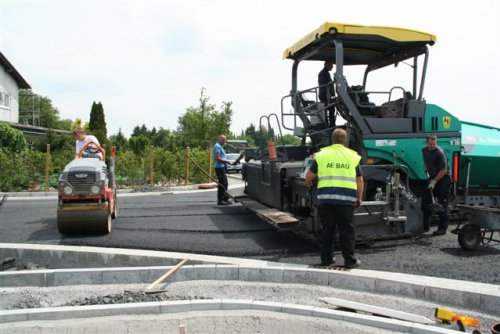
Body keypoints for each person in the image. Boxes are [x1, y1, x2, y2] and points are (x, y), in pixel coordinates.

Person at [305, 128, 363, 268]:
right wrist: (359, 197)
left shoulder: (322, 155)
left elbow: (309, 176)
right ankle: (349, 260)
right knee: (346, 230)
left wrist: (310, 184)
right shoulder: (352, 156)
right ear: (345, 140)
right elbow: (360, 180)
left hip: (326, 199)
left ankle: (327, 259)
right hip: (346, 199)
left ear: (332, 140)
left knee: (327, 229)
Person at [421, 135, 450, 235]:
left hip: (443, 179)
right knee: (425, 201)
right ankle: (425, 226)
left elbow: (444, 170)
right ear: (427, 143)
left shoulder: (440, 153)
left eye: (434, 144)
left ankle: (442, 229)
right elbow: (425, 160)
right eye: (430, 144)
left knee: (443, 204)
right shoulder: (424, 150)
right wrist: (426, 168)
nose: (432, 146)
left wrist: (434, 182)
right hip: (432, 177)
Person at [213, 135, 232, 205]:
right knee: (222, 184)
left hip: (222, 167)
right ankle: (220, 200)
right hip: (219, 167)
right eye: (224, 140)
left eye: (225, 140)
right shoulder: (217, 146)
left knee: (225, 183)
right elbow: (217, 157)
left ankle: (225, 198)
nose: (225, 142)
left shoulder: (220, 146)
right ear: (220, 139)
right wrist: (226, 161)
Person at [318, 61, 336, 127]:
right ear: (326, 65)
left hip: (327, 95)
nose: (332, 66)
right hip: (324, 95)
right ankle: (329, 125)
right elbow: (324, 85)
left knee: (331, 109)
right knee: (328, 109)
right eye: (331, 65)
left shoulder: (326, 73)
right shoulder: (323, 73)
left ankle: (330, 124)